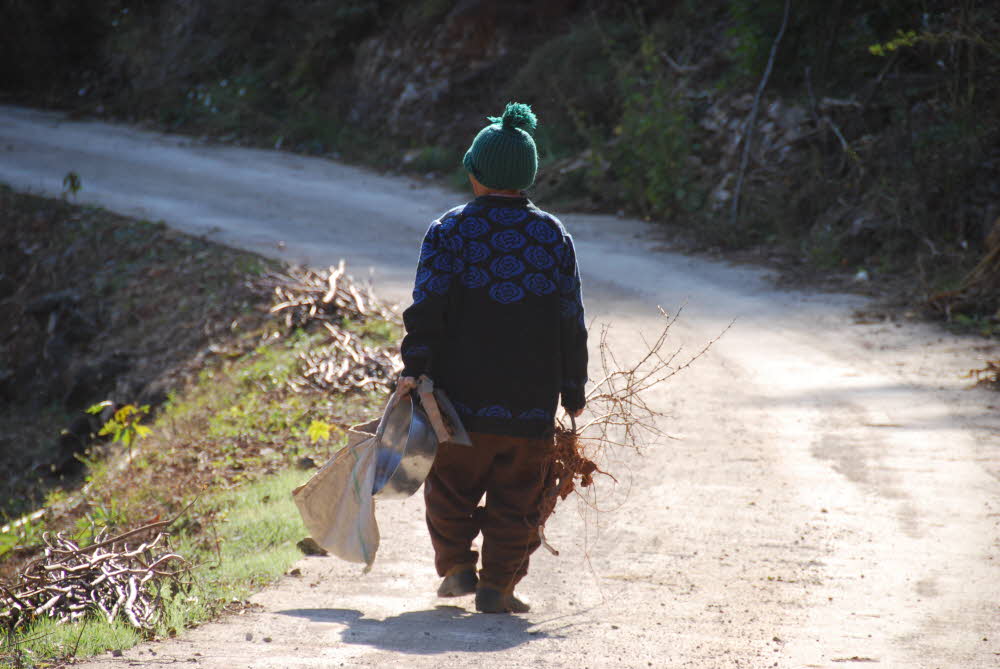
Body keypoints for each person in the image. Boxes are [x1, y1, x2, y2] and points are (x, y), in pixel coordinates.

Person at [397, 102, 588, 614]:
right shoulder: (553, 236)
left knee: (450, 485)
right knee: (520, 496)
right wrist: (574, 389)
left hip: (458, 402)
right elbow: (571, 318)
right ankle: (498, 586)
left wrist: (415, 369)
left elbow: (427, 308)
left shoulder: (447, 231)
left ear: (474, 174)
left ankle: (458, 566)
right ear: (526, 177)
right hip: (529, 403)